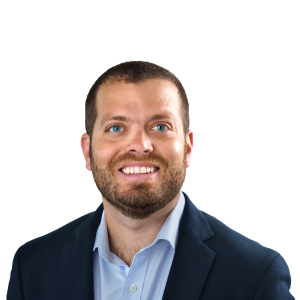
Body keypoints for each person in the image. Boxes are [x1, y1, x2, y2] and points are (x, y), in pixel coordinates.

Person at [7, 61, 294, 300]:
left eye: (160, 126)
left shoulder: (255, 277)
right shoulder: (32, 268)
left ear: (188, 147)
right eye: (116, 127)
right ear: (88, 150)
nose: (140, 145)